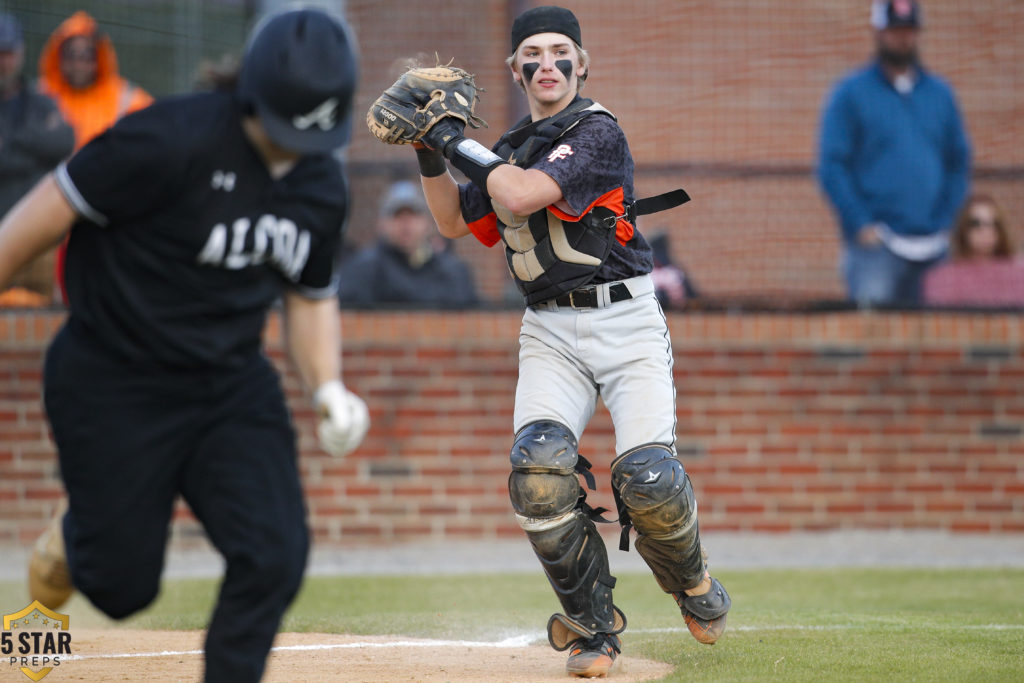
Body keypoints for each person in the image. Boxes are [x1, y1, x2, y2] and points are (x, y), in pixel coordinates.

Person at [0, 8, 368, 682]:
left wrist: (326, 386)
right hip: (113, 373)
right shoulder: (168, 137)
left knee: (274, 553)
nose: (291, 151)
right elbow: (41, 215)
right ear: (250, 95)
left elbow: (309, 295)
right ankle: (65, 551)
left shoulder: (319, 183)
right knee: (120, 586)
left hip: (228, 383)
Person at [386, 6, 730, 677]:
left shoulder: (598, 132)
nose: (547, 64)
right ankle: (594, 629)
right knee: (538, 470)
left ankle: (691, 579)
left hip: (625, 320)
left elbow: (516, 197)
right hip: (550, 326)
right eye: (532, 55)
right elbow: (455, 220)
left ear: (582, 62)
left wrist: (452, 138)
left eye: (560, 51)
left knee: (648, 479)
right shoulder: (509, 145)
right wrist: (430, 149)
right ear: (515, 70)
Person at [817, 0, 971, 307]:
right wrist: (860, 222)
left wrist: (946, 220)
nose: (903, 38)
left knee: (939, 343)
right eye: (895, 30)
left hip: (934, 246)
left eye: (909, 30)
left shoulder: (940, 94)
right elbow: (832, 165)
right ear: (877, 31)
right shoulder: (851, 93)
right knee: (874, 339)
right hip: (877, 249)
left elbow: (959, 162)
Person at [37, 10, 154, 302]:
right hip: (50, 227)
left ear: (98, 56)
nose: (79, 62)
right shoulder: (39, 99)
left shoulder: (127, 98)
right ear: (58, 56)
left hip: (109, 224)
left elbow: (157, 147)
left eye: (86, 54)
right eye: (71, 54)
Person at [0, 13, 75, 306]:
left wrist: (10, 145)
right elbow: (46, 148)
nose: (3, 61)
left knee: (44, 320)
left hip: (39, 244)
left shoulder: (41, 101)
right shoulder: (41, 116)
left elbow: (62, 142)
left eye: (7, 53)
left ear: (20, 54)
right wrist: (33, 151)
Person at [337, 179, 479, 308]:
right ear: (381, 223)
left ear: (428, 222)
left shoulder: (453, 272)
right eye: (397, 215)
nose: (406, 223)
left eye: (413, 214)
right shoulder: (363, 269)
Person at [922, 194, 1024, 307]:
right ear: (964, 228)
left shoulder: (1017, 274)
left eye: (994, 223)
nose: (986, 231)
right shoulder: (944, 278)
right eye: (976, 223)